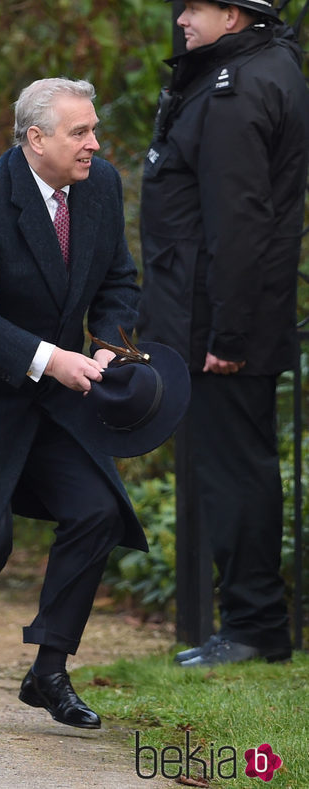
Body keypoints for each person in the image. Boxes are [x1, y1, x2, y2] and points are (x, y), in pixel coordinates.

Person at [0, 78, 144, 733]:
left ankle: (48, 671)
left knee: (98, 510)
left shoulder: (99, 186)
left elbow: (120, 281)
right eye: (80, 132)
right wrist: (52, 357)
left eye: (94, 129)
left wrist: (106, 349)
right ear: (35, 138)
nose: (94, 143)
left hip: (56, 382)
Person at [137, 0, 309, 667]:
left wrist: (229, 335)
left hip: (222, 325)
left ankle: (253, 626)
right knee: (235, 467)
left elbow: (239, 222)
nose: (182, 18)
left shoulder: (240, 88)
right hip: (216, 317)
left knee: (235, 471)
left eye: (195, 7)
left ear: (234, 15)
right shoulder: (244, 72)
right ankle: (250, 620)